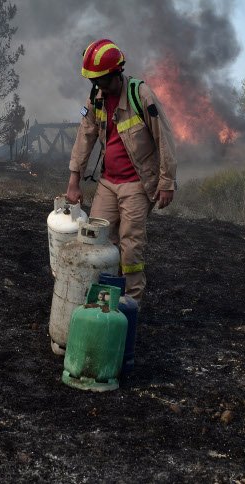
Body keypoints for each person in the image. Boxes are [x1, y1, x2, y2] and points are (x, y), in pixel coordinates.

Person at [66, 39, 177, 302]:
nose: (98, 87)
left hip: (137, 185)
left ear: (117, 73)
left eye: (102, 81)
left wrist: (167, 182)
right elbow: (85, 136)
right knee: (97, 239)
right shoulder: (96, 97)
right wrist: (74, 180)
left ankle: (131, 303)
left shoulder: (142, 95)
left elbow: (165, 138)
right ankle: (103, 299)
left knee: (130, 248)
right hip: (107, 182)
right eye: (94, 82)